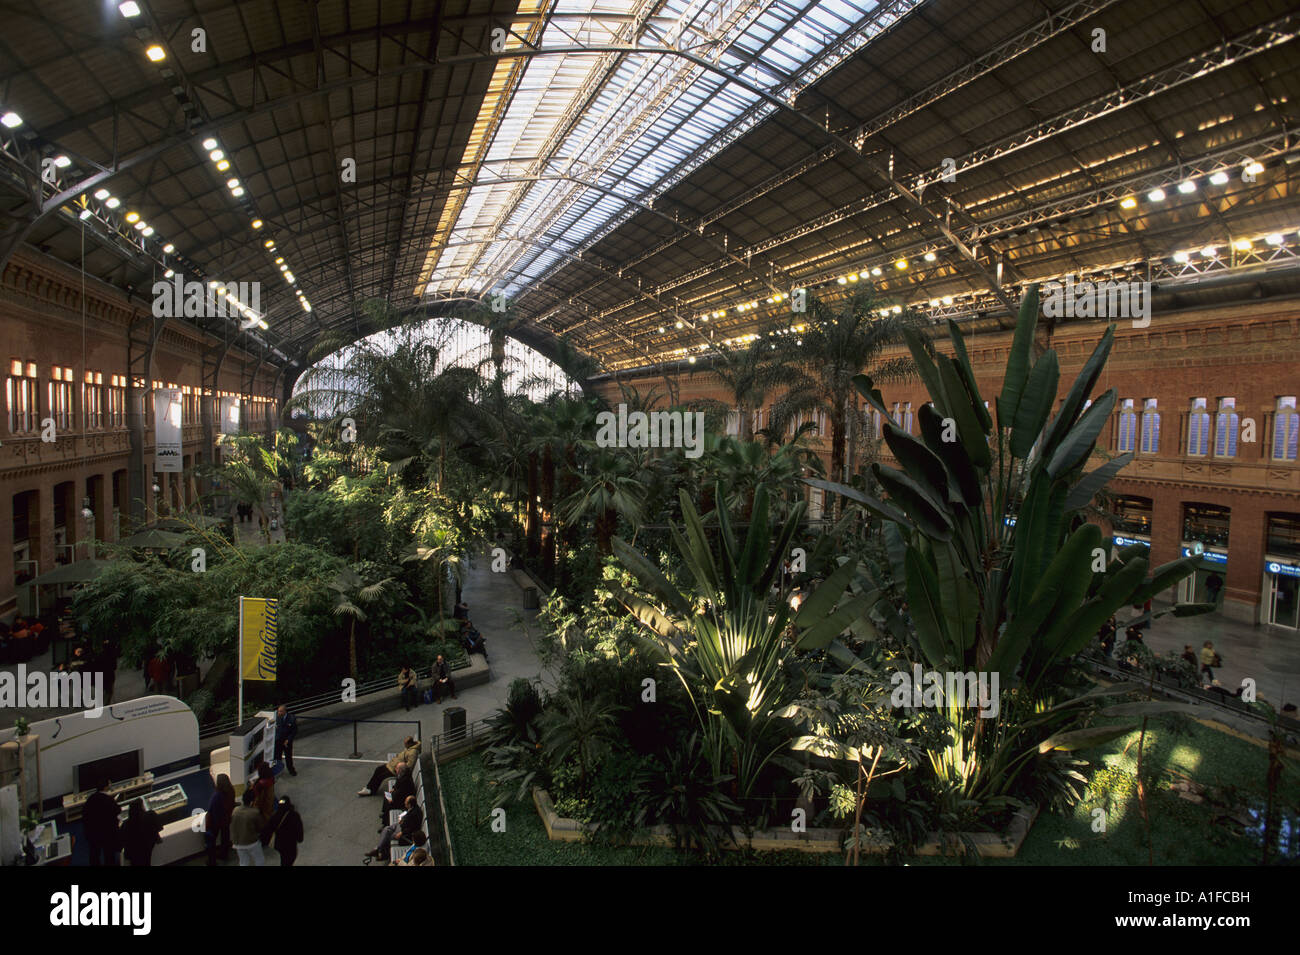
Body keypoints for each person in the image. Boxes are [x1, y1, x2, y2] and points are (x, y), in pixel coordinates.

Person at [364, 796, 423, 864]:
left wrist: (401, 832)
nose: (404, 803)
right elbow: (408, 819)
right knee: (386, 829)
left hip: (405, 832)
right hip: (402, 825)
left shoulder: (414, 814)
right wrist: (403, 820)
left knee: (388, 835)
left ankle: (380, 852)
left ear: (409, 804)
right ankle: (378, 850)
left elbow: (412, 827)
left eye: (406, 803)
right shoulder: (414, 808)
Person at [82, 778, 121, 866]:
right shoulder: (108, 800)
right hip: (107, 833)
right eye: (109, 784)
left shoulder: (91, 798)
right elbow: (117, 810)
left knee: (94, 853)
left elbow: (85, 815)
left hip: (92, 833)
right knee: (109, 853)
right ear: (106, 787)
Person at [263, 795, 304, 866]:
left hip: (280, 844)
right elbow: (299, 829)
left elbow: (267, 830)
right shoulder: (294, 815)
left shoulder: (275, 816)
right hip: (291, 844)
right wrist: (300, 839)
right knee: (290, 859)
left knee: (284, 859)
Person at [121, 799, 163, 867]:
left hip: (133, 852)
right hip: (148, 847)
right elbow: (159, 828)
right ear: (142, 806)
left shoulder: (126, 824)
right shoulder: (151, 815)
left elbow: (122, 839)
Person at [206, 774, 236, 865]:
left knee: (211, 841)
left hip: (216, 822)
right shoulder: (231, 790)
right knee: (225, 837)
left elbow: (212, 809)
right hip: (226, 819)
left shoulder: (217, 796)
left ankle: (212, 861)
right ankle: (224, 854)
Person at [231, 789, 266, 866]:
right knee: (259, 859)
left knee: (243, 862)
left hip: (237, 842)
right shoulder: (254, 812)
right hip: (251, 842)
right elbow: (260, 827)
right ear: (252, 801)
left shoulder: (235, 810)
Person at [274, 704, 298, 776]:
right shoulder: (277, 718)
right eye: (278, 711)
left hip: (287, 741)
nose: (279, 713)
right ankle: (278, 770)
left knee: (288, 757)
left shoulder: (291, 718)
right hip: (278, 741)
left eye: (280, 711)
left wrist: (288, 739)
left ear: (285, 711)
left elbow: (294, 731)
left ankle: (291, 770)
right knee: (277, 757)